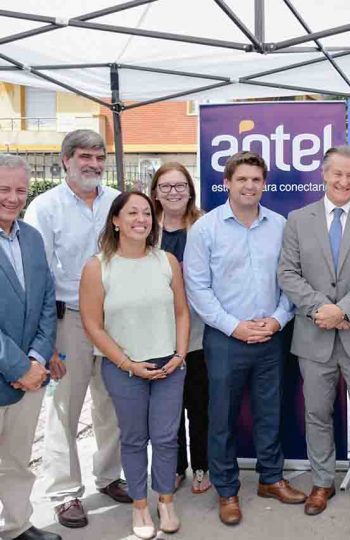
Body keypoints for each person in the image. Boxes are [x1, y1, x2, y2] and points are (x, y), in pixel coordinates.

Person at [185, 151, 305, 526]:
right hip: (225, 338)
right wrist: (233, 326)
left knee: (270, 411)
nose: (250, 186)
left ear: (264, 185)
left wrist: (279, 319)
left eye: (256, 180)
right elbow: (198, 288)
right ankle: (226, 489)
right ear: (227, 183)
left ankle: (271, 478)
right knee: (221, 416)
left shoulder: (281, 225)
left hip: (271, 335)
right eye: (242, 179)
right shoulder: (205, 229)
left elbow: (292, 278)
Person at [24, 129, 128, 528]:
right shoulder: (45, 207)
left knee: (113, 402)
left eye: (100, 157)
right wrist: (47, 340)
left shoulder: (116, 200)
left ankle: (108, 476)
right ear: (66, 160)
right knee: (65, 408)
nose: (94, 164)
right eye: (85, 156)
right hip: (68, 320)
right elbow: (39, 277)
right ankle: (65, 492)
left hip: (115, 319)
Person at [278, 145, 350, 517]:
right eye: (337, 173)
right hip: (314, 335)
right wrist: (319, 310)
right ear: (324, 174)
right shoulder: (297, 219)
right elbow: (287, 273)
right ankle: (322, 481)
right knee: (317, 413)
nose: (344, 181)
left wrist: (342, 310)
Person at [79, 191, 189, 539]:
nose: (141, 219)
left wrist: (179, 355)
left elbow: (182, 312)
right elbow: (92, 325)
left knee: (167, 437)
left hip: (169, 366)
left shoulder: (166, 261)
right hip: (124, 368)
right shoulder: (98, 267)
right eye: (132, 213)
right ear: (115, 220)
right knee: (134, 438)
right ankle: (140, 505)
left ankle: (166, 501)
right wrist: (127, 363)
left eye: (146, 213)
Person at [0, 155, 60, 540]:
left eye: (20, 190)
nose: (13, 198)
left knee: (17, 459)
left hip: (31, 375)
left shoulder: (32, 237)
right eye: (4, 189)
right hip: (14, 369)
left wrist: (37, 359)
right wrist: (18, 366)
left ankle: (16, 526)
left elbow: (45, 300)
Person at [150, 163, 211, 495]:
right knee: (166, 407)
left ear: (190, 189)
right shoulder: (146, 229)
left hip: (199, 330)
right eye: (165, 186)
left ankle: (202, 466)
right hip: (157, 332)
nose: (173, 192)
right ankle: (174, 468)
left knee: (199, 403)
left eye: (179, 185)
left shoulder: (204, 226)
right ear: (156, 192)